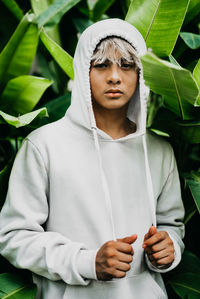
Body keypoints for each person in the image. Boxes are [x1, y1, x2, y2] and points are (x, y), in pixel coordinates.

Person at [0, 18, 184, 299]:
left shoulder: (159, 151)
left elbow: (172, 226)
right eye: (101, 65)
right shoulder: (44, 145)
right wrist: (88, 262)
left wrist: (168, 248)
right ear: (83, 70)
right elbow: (14, 237)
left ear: (140, 73)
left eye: (126, 65)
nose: (114, 76)